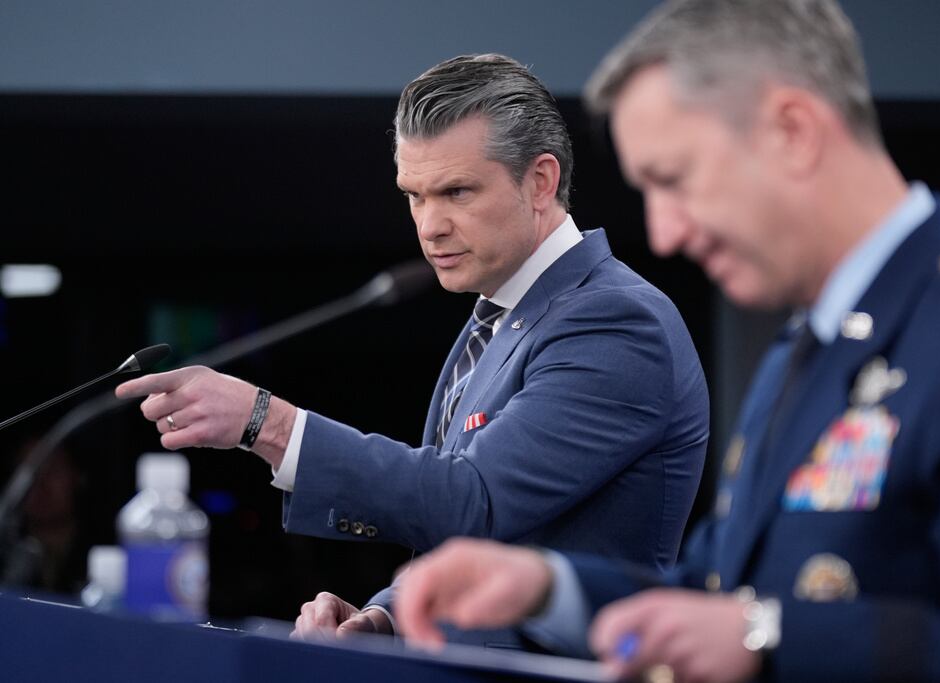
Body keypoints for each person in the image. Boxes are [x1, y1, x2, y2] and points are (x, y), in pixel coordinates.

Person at [391, 2, 940, 681]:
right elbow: (717, 591)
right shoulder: (802, 350)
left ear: (792, 131)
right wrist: (548, 586)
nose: (664, 233)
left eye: (675, 179)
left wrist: (766, 635)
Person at [115, 54, 709, 645]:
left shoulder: (615, 321)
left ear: (540, 181)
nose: (429, 225)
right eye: (414, 196)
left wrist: (267, 423)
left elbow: (475, 502)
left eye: (456, 191)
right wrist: (388, 617)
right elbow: (469, 544)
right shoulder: (498, 317)